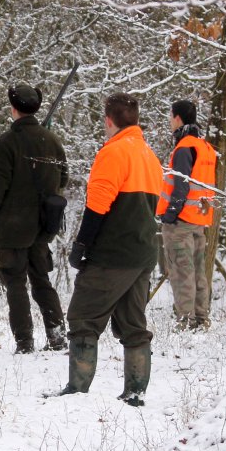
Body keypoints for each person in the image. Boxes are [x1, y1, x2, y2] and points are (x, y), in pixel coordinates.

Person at [60, 93, 162, 406]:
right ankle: (135, 393)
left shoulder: (113, 152)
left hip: (112, 253)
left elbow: (98, 205)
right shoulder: (149, 156)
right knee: (133, 324)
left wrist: (82, 244)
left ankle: (76, 391)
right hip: (143, 252)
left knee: (83, 317)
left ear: (108, 120)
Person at [0, 83, 69, 353]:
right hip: (43, 224)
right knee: (41, 280)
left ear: (13, 108)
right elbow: (63, 178)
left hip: (12, 227)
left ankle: (24, 341)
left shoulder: (6, 143)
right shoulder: (52, 140)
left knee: (15, 283)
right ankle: (57, 336)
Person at [156, 99, 217, 330]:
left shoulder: (184, 147)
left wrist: (171, 214)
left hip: (181, 221)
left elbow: (181, 185)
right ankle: (201, 319)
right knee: (198, 272)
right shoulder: (205, 147)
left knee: (182, 272)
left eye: (170, 116)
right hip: (199, 219)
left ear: (178, 118)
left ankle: (185, 322)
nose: (169, 121)